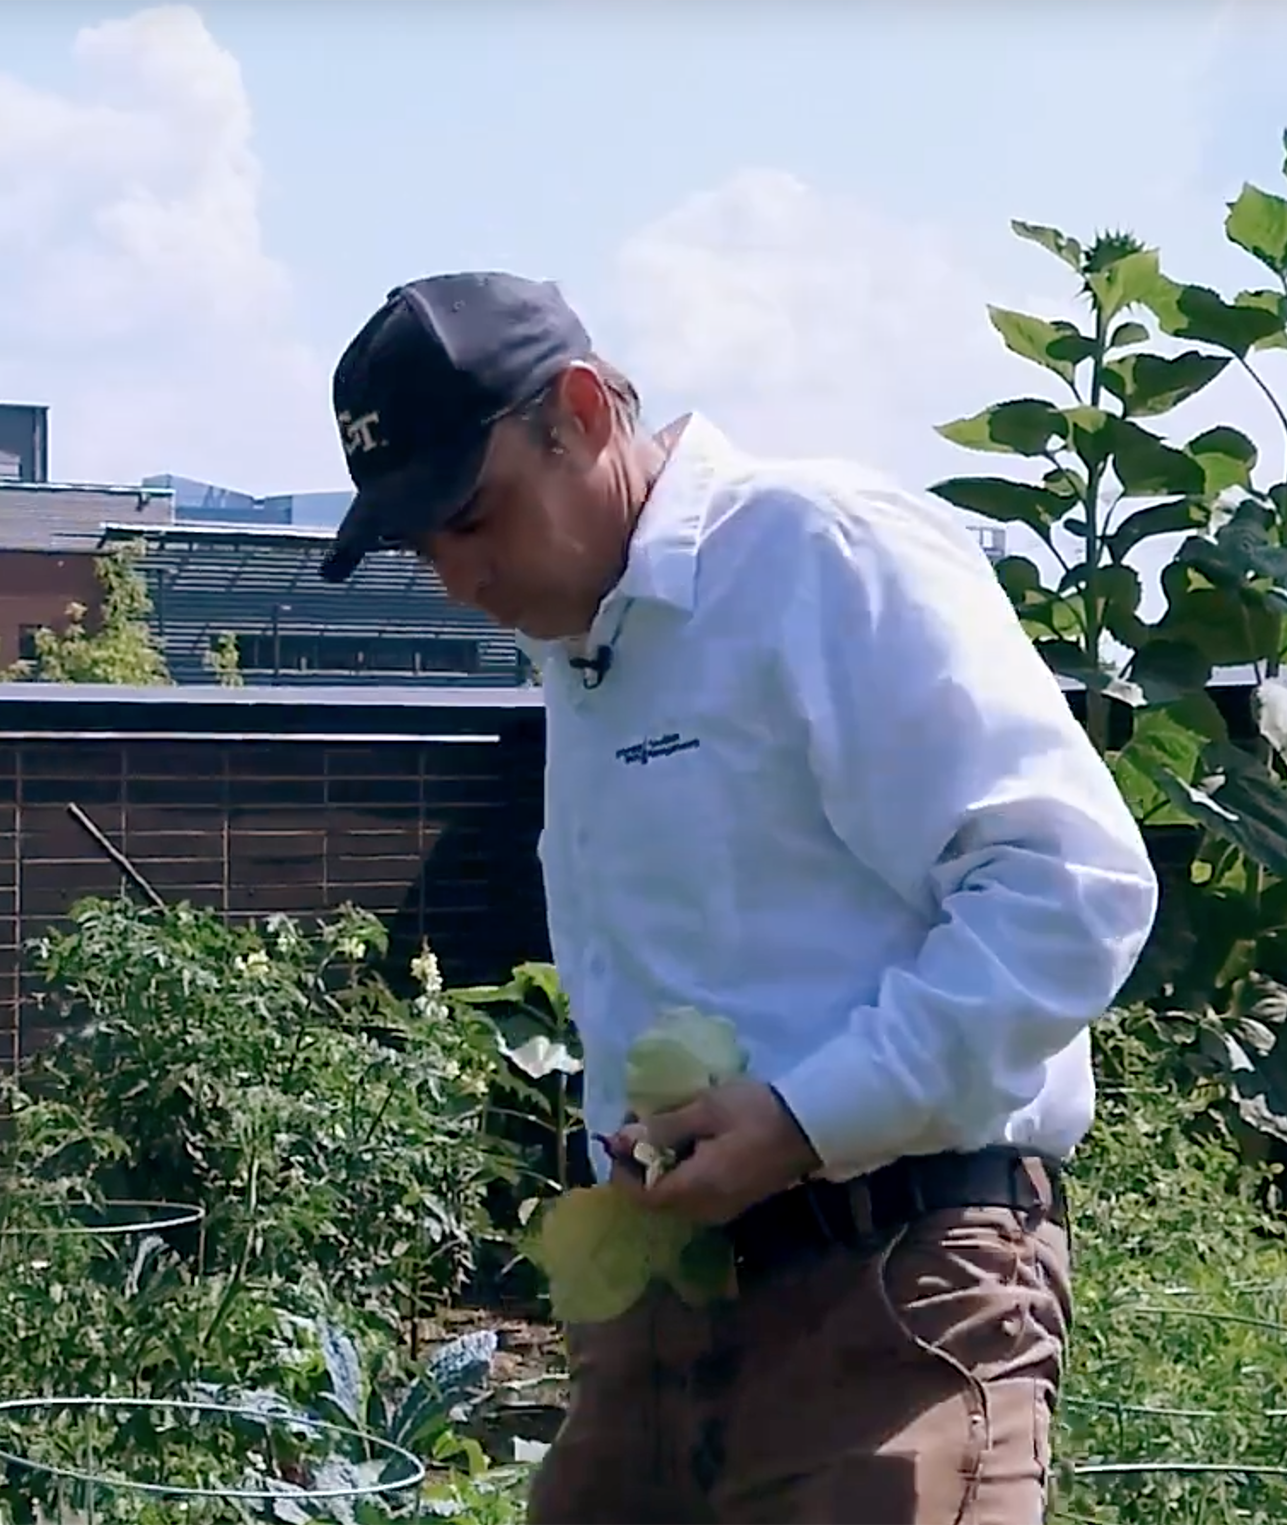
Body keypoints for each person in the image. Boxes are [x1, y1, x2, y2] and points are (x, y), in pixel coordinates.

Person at [312, 271, 1158, 1525]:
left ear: (584, 412)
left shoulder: (814, 553)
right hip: (666, 1313)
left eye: (473, 516)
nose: (455, 579)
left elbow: (1066, 886)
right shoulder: (585, 645)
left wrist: (807, 1116)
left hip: (897, 1291)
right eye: (421, 543)